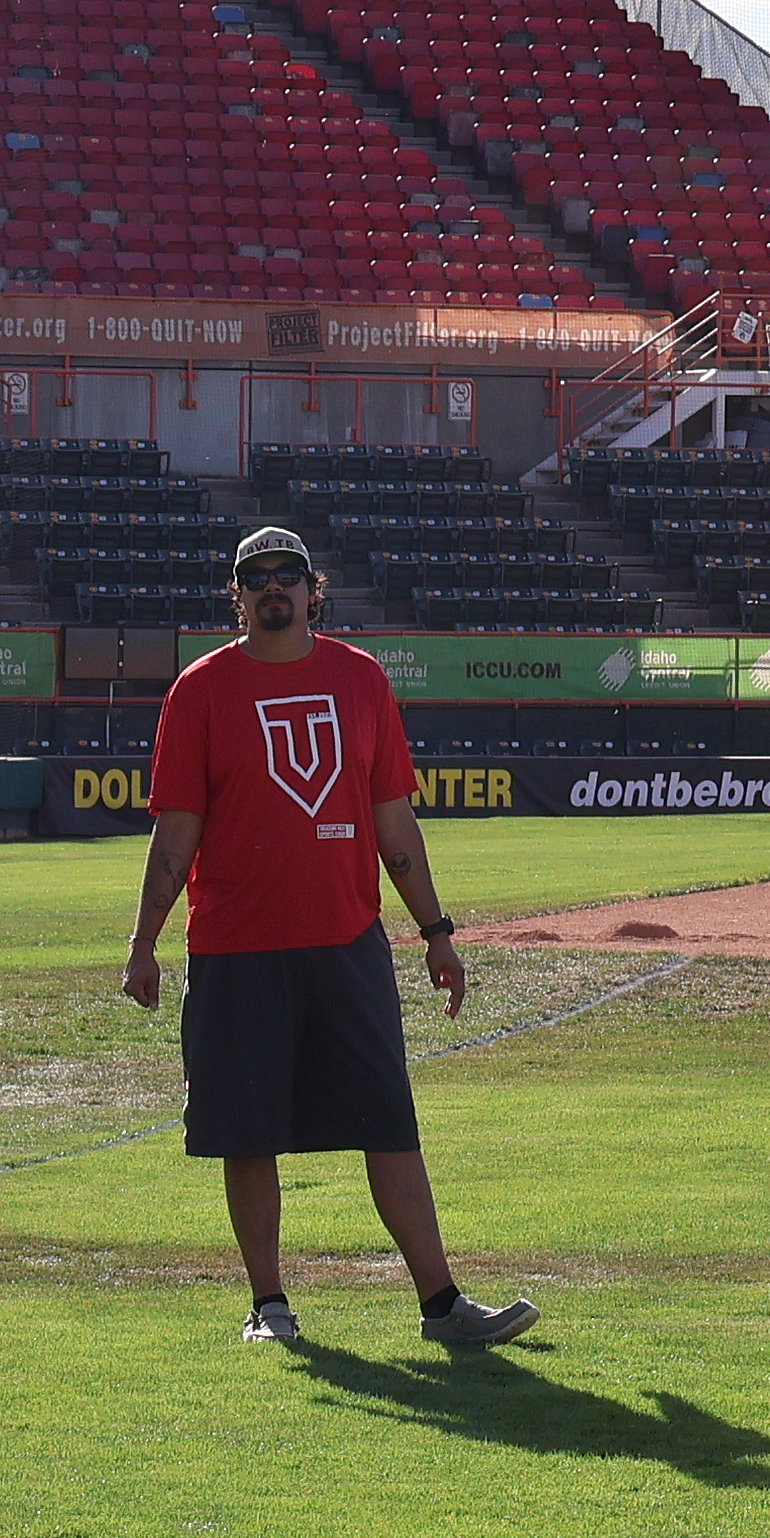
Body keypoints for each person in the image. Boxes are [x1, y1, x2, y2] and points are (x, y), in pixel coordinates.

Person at [118, 523, 541, 1353]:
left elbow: (395, 824)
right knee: (249, 1133)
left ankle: (442, 1305)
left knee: (390, 1124)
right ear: (234, 595)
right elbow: (176, 834)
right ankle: (269, 1306)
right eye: (256, 576)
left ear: (316, 589)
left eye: (289, 574)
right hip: (237, 950)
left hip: (346, 945)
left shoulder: (361, 680)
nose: (273, 586)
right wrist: (143, 943)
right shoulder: (199, 692)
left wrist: (437, 932)